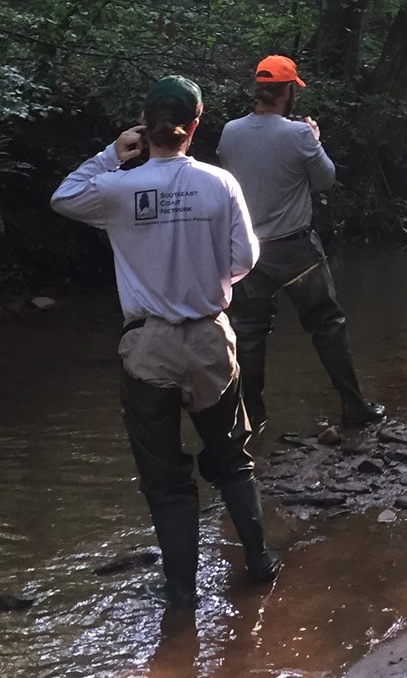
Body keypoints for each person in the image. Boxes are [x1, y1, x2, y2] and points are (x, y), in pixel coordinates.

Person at [51, 76, 282, 611]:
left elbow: (63, 197)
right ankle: (260, 564)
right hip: (208, 340)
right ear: (194, 125)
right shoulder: (220, 184)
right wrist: (208, 281)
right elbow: (246, 259)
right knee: (232, 460)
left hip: (148, 347)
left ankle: (181, 592)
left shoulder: (116, 188)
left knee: (166, 478)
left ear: (144, 124)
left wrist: (113, 153)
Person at [217, 55, 385, 431]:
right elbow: (325, 179)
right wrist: (314, 139)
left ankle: (251, 418)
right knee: (328, 324)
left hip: (246, 253)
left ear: (259, 90)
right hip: (295, 253)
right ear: (288, 91)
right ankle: (354, 407)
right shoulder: (298, 135)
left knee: (249, 334)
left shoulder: (230, 131)